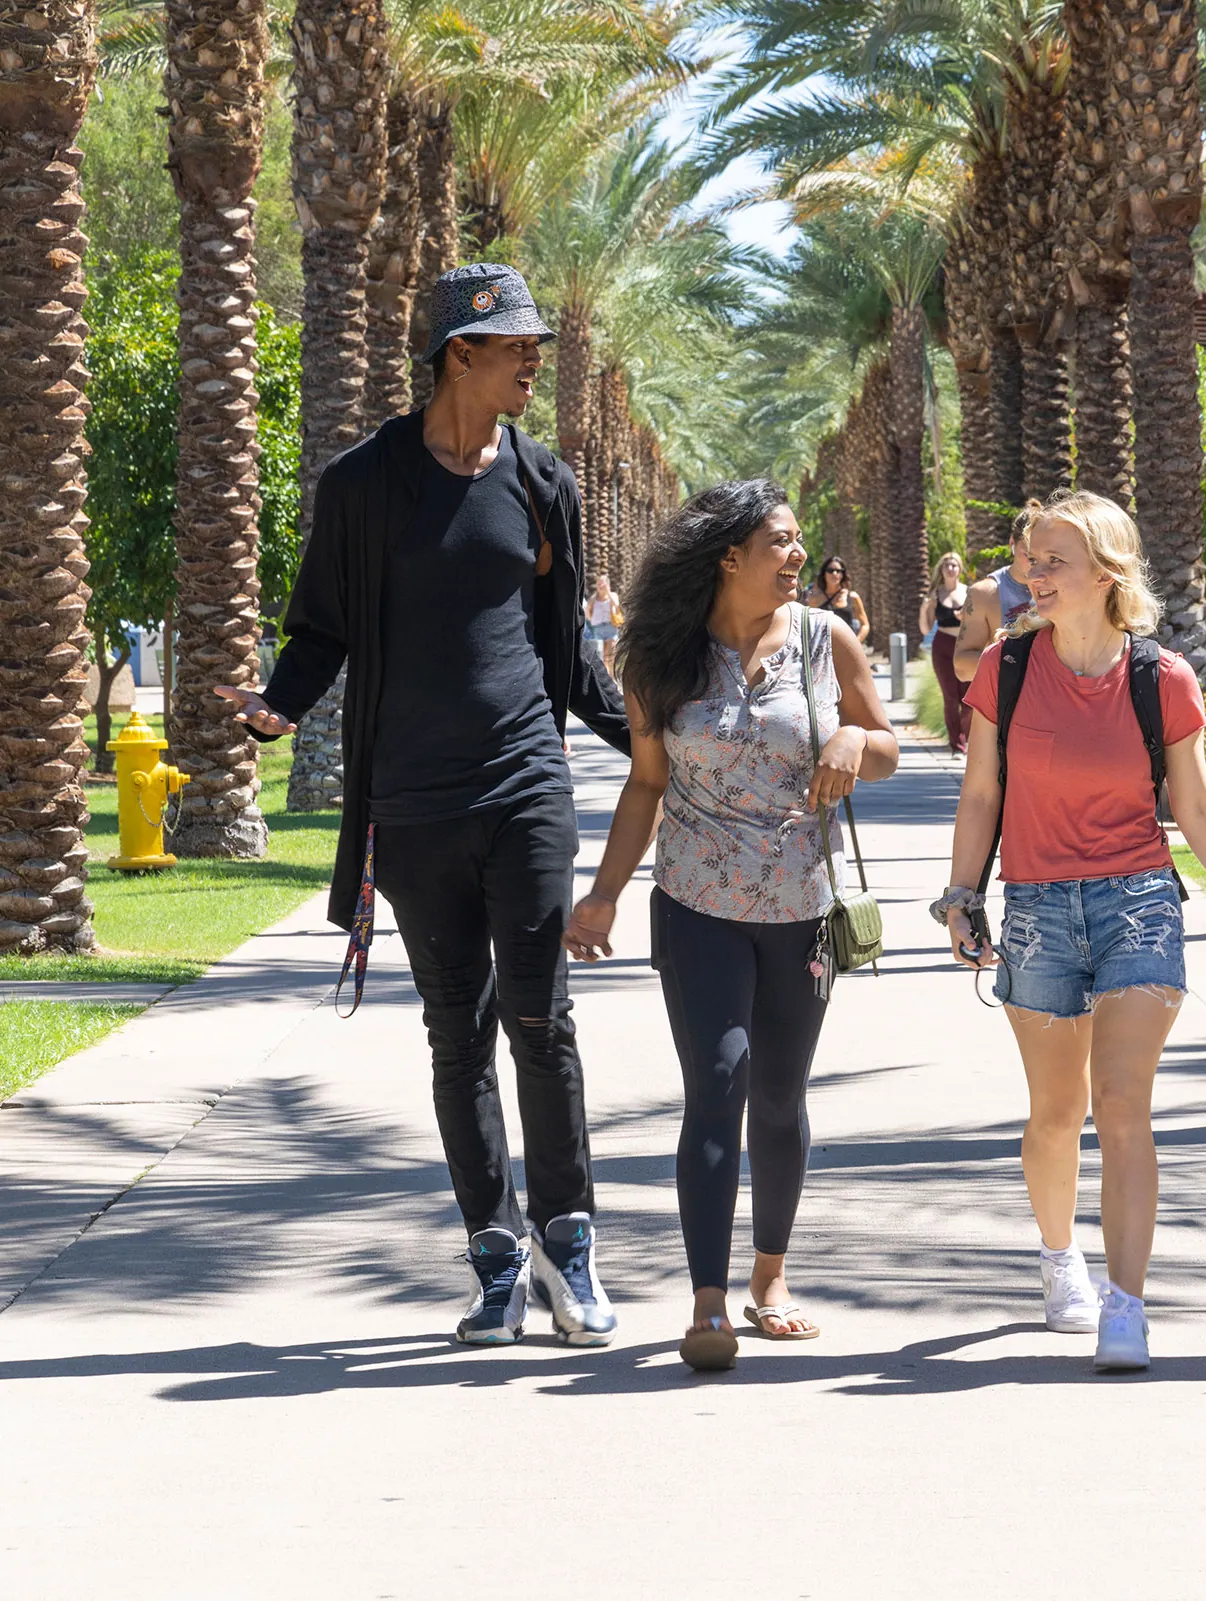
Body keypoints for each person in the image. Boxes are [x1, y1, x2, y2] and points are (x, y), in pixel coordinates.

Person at [214, 263, 631, 1348]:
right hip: (413, 803)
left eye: (537, 342)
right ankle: (496, 1260)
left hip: (526, 783)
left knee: (542, 1017)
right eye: (517, 346)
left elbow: (568, 657)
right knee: (460, 1036)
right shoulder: (365, 485)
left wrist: (653, 738)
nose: (535, 360)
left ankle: (568, 1248)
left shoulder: (543, 483)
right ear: (459, 353)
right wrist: (275, 705)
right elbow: (322, 627)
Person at [936, 491, 1206, 1372]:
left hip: (1137, 901)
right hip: (1039, 907)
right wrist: (960, 895)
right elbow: (981, 793)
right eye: (1029, 561)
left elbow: (1197, 806)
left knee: (1123, 1104)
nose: (1032, 576)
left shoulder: (1159, 677)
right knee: (1057, 1115)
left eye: (1051, 562)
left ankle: (1125, 1306)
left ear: (1106, 572)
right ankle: (1062, 1260)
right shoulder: (1006, 671)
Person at [565, 481, 899, 1372]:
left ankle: (770, 1278)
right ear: (728, 557)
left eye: (798, 542)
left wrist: (853, 744)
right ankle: (708, 1297)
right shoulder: (659, 657)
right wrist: (601, 894)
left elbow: (889, 745)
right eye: (781, 543)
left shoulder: (828, 641)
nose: (799, 557)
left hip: (804, 909)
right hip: (696, 903)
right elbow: (645, 783)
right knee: (719, 1083)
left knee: (781, 1094)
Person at [952, 524, 1034, 683]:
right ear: (1012, 544)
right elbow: (962, 667)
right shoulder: (984, 593)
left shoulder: (1060, 587)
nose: (1034, 564)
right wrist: (1017, 663)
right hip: (1007, 702)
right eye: (1029, 556)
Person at [919, 551, 971, 754]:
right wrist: (925, 609)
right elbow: (925, 629)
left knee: (968, 698)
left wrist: (964, 617)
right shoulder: (935, 594)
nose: (950, 569)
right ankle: (957, 745)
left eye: (954, 565)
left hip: (965, 645)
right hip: (942, 645)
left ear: (960, 569)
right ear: (941, 570)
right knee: (950, 697)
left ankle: (968, 740)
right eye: (946, 565)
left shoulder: (969, 592)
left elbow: (978, 622)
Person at [803, 555, 869, 643]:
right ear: (824, 574)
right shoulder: (814, 598)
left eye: (838, 571)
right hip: (822, 649)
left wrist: (856, 642)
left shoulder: (852, 597)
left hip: (846, 648)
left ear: (843, 574)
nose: (834, 574)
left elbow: (865, 625)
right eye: (830, 571)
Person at [585, 574, 620, 673]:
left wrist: (607, 591)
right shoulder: (593, 598)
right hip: (598, 628)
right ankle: (604, 676)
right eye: (598, 583)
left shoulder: (612, 595)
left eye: (602, 583)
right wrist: (592, 619)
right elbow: (587, 612)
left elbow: (616, 605)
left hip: (610, 627)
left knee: (610, 655)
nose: (600, 586)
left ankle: (612, 676)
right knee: (601, 655)